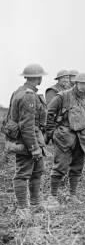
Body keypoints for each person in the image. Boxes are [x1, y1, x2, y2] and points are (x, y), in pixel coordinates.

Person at [45, 73, 85, 205]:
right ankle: (53, 196)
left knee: (77, 167)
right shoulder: (62, 96)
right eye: (81, 83)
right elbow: (49, 114)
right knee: (60, 166)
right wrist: (52, 133)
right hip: (63, 136)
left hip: (82, 138)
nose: (83, 86)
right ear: (76, 83)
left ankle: (72, 195)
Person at [6, 64, 48, 219]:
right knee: (23, 174)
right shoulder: (28, 95)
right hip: (27, 141)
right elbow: (27, 126)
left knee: (37, 171)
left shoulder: (19, 91)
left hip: (31, 138)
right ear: (38, 77)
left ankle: (36, 204)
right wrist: (33, 148)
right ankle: (23, 209)